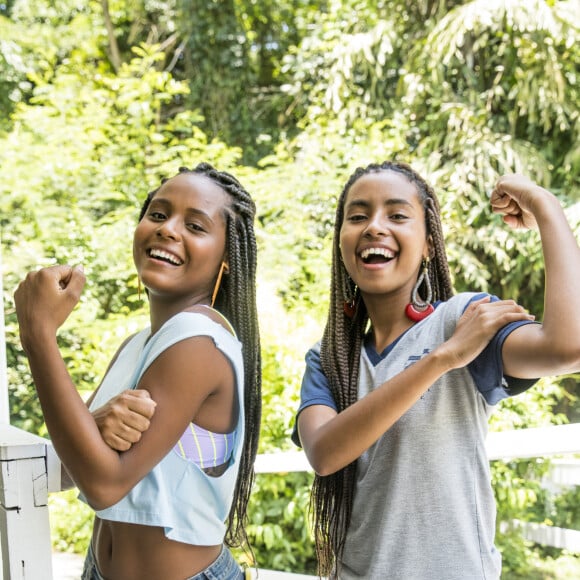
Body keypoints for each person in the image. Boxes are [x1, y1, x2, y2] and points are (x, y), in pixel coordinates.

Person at [292, 161, 580, 579]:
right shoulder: (330, 357)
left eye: (396, 215)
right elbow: (323, 453)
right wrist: (442, 359)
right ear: (341, 243)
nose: (374, 227)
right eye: (358, 216)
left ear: (428, 243)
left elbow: (567, 349)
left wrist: (545, 206)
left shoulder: (462, 320)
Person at [14, 162, 262, 580]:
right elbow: (72, 461)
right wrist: (95, 424)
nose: (168, 229)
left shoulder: (199, 340)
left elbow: (103, 484)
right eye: (159, 214)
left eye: (196, 227)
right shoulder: (138, 343)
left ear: (226, 262)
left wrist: (38, 335)